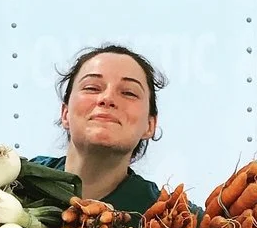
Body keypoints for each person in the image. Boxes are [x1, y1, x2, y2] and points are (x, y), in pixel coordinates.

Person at [33, 45, 165, 213]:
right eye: (92, 88)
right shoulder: (13, 184)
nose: (107, 98)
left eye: (129, 93)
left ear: (150, 125)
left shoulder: (173, 219)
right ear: (65, 114)